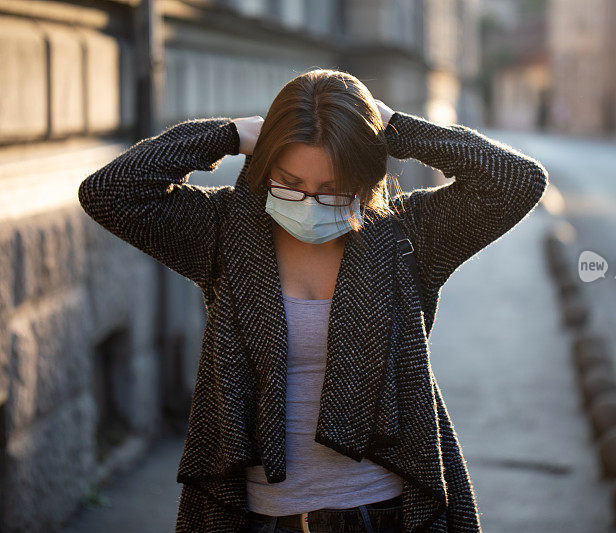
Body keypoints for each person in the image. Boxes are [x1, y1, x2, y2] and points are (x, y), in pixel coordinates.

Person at [78, 68, 549, 532]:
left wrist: (399, 129)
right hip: (259, 515)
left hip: (378, 512)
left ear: (365, 182)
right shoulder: (225, 230)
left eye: (332, 190)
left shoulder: (409, 234)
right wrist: (225, 135)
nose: (307, 202)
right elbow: (110, 192)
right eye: (289, 182)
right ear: (265, 169)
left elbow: (517, 181)